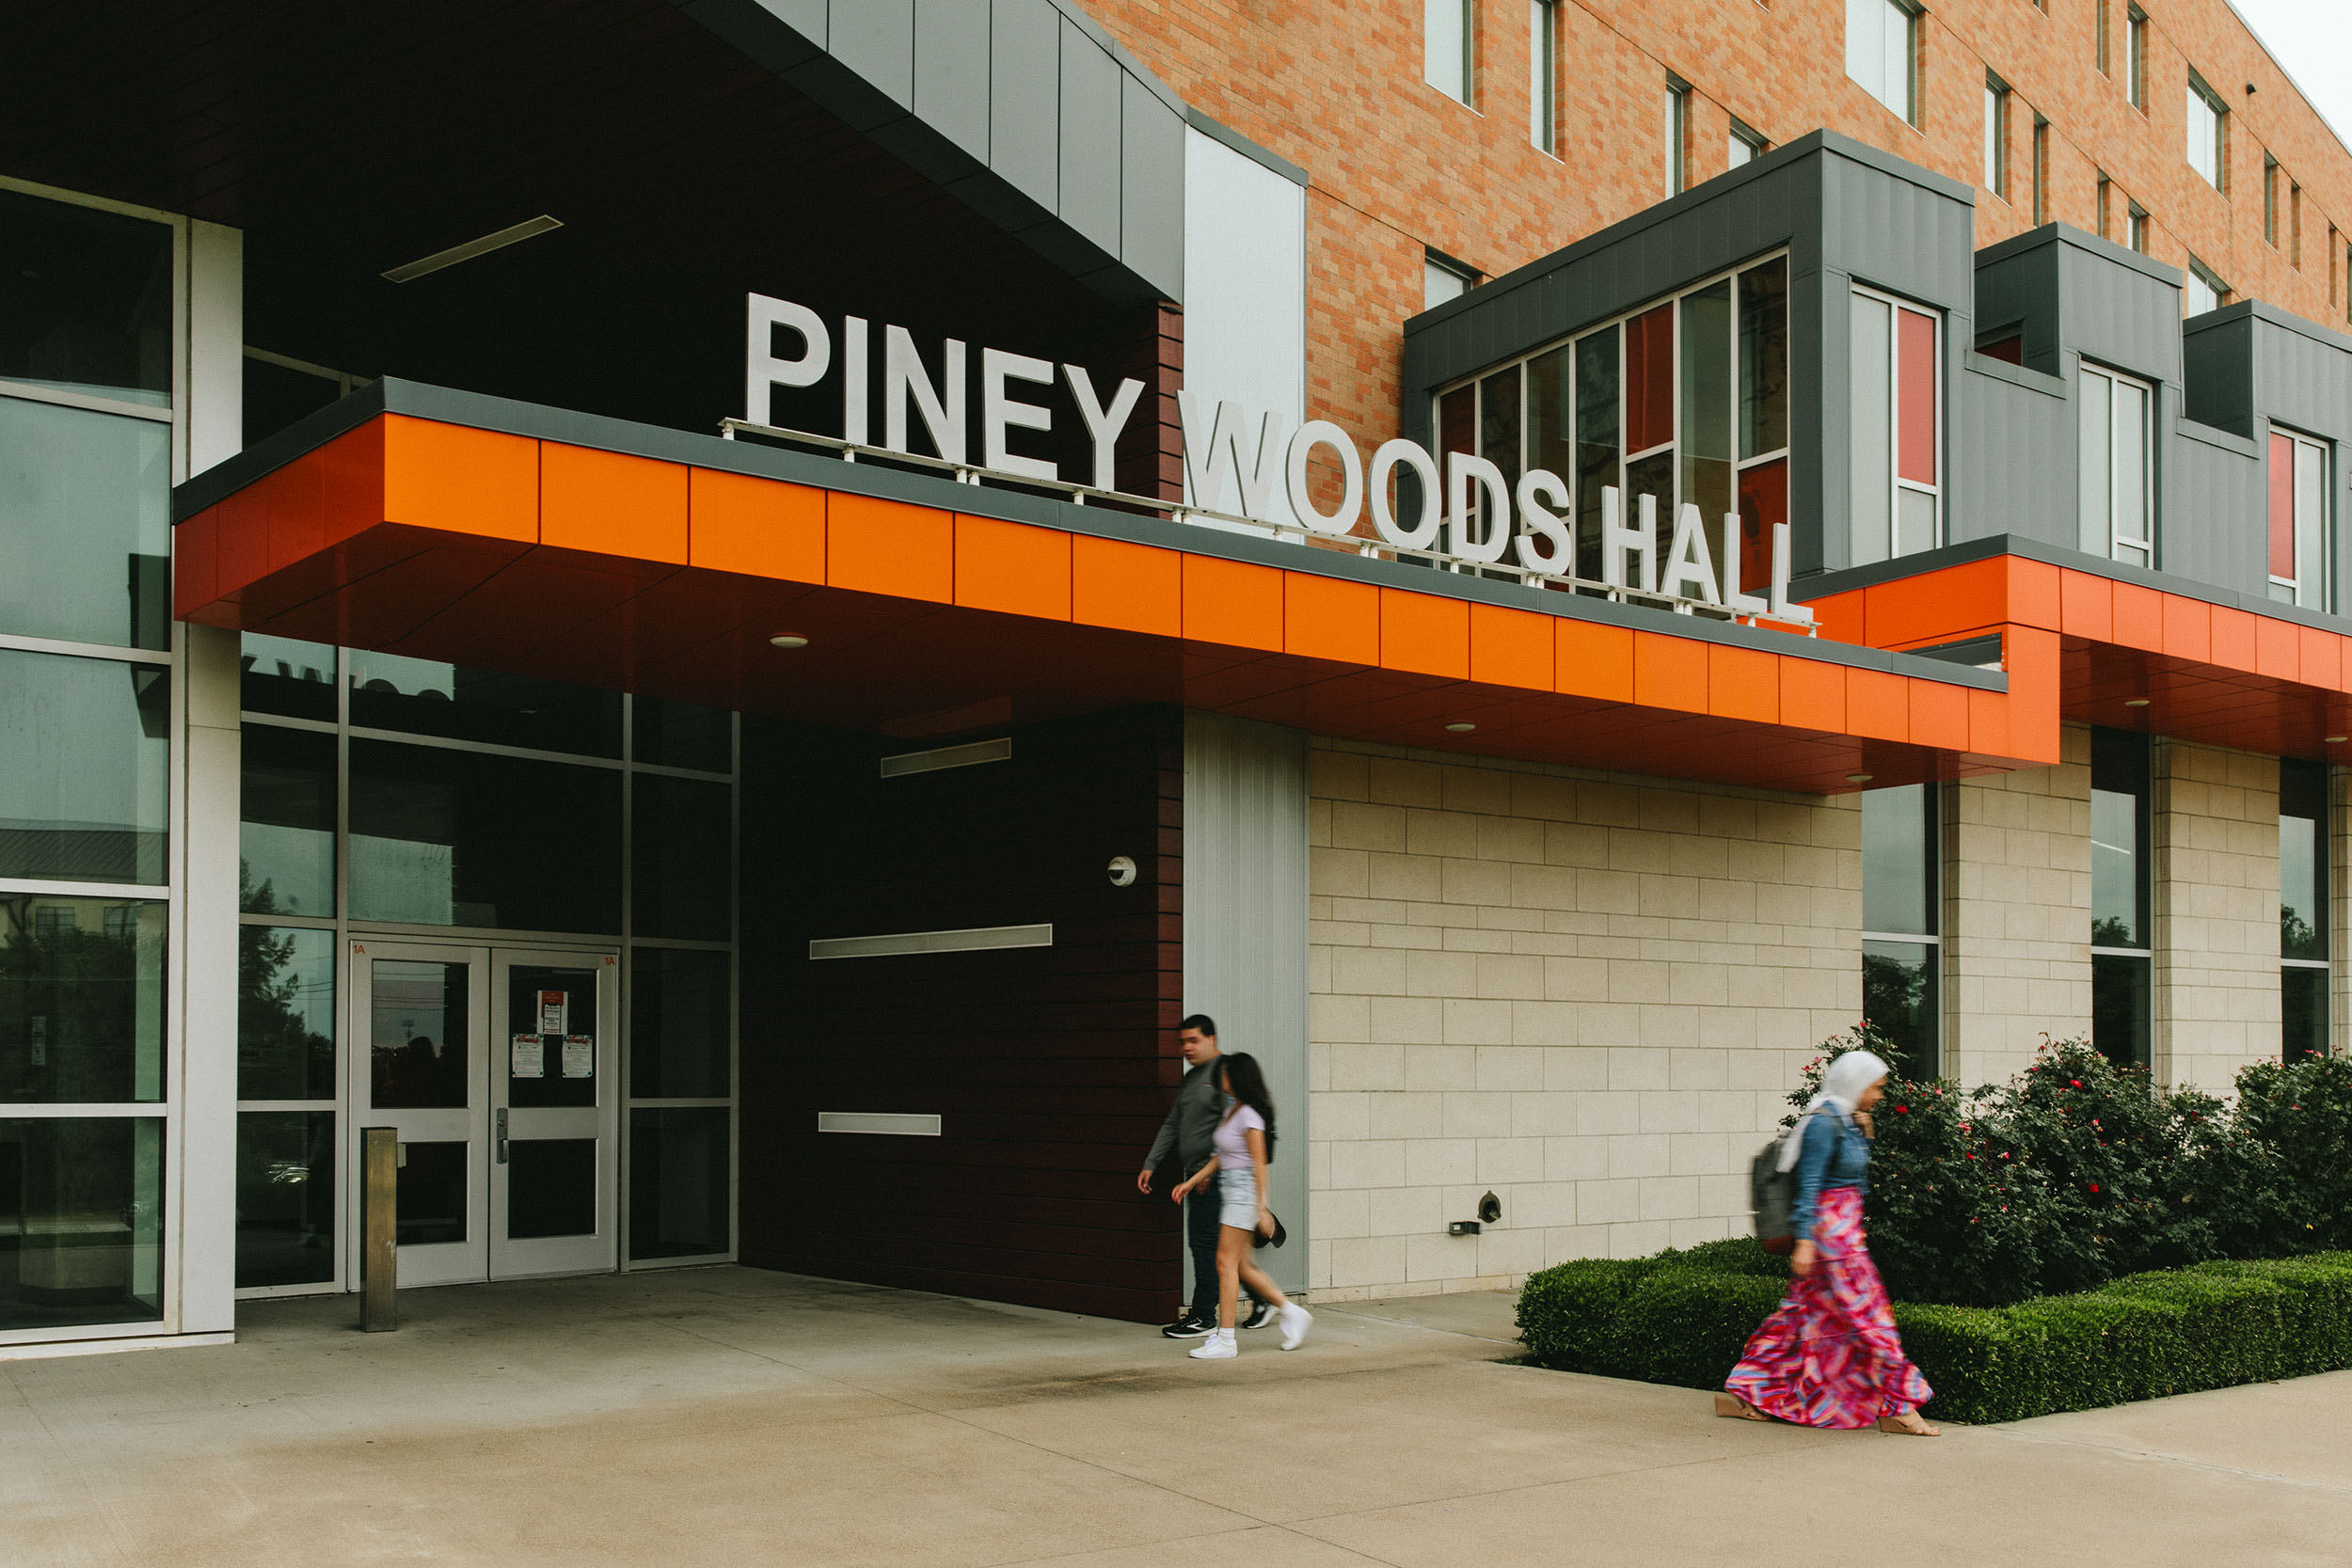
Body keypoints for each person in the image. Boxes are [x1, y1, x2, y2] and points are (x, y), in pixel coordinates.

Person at [1718, 1049, 1940, 1435]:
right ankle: (1899, 1405)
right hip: (1832, 1242)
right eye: (1875, 1087)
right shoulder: (1823, 1124)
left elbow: (1853, 1182)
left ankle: (1745, 1391)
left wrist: (1865, 1135)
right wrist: (1805, 1242)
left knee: (1802, 1318)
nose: (1879, 1095)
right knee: (1870, 1318)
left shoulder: (1849, 1119)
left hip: (1846, 1235)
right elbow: (1809, 1187)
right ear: (1855, 1083)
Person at [1138, 1015, 1274, 1338]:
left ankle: (1204, 1316)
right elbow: (1174, 1121)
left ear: (1212, 1039)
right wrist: (1151, 1163)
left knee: (1206, 1247)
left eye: (1193, 1040)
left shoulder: (1224, 1074)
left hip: (1215, 1178)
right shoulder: (1192, 1078)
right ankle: (1264, 1299)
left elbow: (1232, 1127)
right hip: (1198, 1174)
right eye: (1182, 1042)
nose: (1186, 1048)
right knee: (1223, 1251)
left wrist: (1207, 1172)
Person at [1168, 1052, 1311, 1358]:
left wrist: (1261, 1208)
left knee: (1225, 1264)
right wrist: (1193, 1181)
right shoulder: (1233, 1110)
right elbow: (1224, 1156)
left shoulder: (1250, 1116)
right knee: (1242, 1267)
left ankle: (1226, 1340)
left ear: (1237, 1078)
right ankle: (1292, 1312)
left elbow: (1259, 1164)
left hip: (1243, 1198)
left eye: (1225, 1074)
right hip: (1231, 1195)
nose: (1220, 1078)